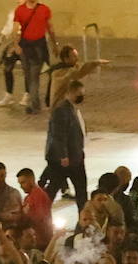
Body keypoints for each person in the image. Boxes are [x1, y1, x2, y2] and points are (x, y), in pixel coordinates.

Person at [43, 79, 89, 211]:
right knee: (52, 190)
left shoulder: (73, 109)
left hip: (76, 157)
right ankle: (42, 215)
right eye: (79, 93)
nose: (81, 96)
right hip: (65, 160)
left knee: (81, 192)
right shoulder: (62, 110)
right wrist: (63, 156)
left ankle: (83, 220)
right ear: (70, 93)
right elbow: (59, 135)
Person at [14, 0, 57, 115]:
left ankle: (33, 103)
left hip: (25, 47)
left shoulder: (20, 10)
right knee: (33, 76)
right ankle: (34, 104)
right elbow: (50, 29)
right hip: (38, 47)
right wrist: (55, 45)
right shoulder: (44, 9)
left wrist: (15, 44)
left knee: (29, 75)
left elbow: (16, 30)